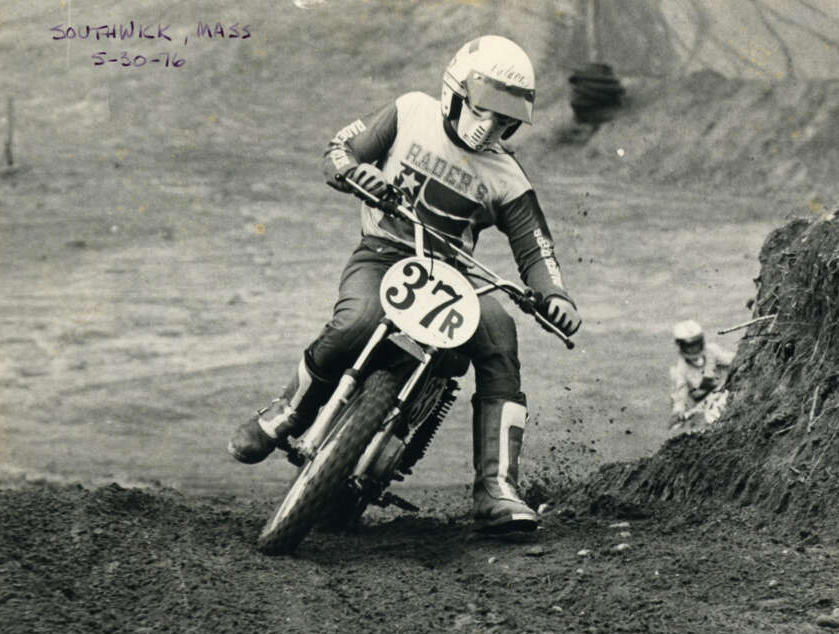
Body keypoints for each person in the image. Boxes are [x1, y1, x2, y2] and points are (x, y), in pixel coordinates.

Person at [227, 35, 581, 533]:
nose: (491, 127)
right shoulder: (410, 112)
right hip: (383, 253)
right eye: (485, 112)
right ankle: (286, 412)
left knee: (500, 335)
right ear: (455, 91)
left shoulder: (507, 176)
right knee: (357, 321)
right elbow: (341, 150)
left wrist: (555, 296)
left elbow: (536, 248)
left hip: (453, 277)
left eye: (505, 122)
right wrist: (355, 173)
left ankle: (496, 486)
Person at [668, 319, 734, 432]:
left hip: (725, 392)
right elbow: (680, 397)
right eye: (689, 345)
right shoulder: (680, 370)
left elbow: (732, 359)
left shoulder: (712, 351)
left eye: (696, 344)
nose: (693, 349)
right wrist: (678, 412)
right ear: (681, 346)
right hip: (704, 407)